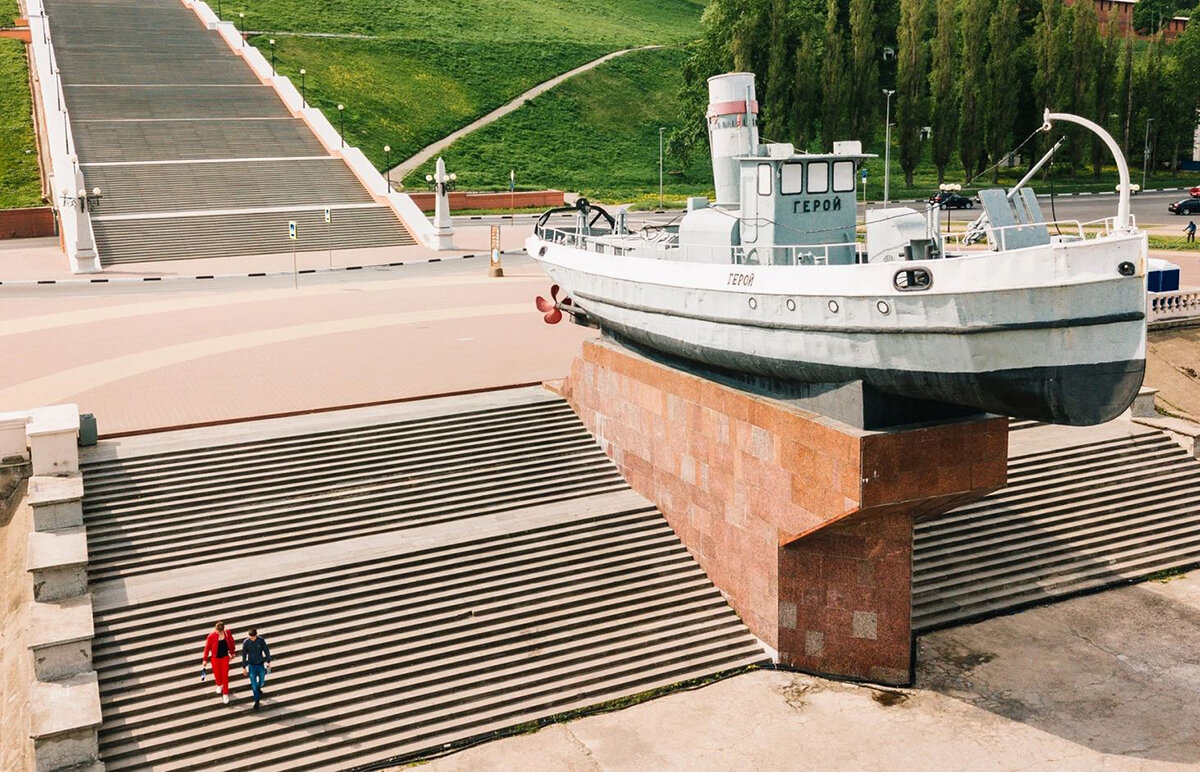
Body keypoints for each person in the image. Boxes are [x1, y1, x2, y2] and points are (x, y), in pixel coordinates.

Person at [201, 621, 236, 704]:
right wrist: (205, 659)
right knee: (217, 674)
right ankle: (219, 685)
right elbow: (207, 648)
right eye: (216, 630)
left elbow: (231, 643)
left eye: (218, 631)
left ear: (222, 630)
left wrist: (232, 653)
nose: (216, 632)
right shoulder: (211, 636)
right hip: (215, 658)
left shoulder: (227, 633)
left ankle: (225, 693)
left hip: (224, 658)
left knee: (225, 676)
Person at [241, 627, 272, 709]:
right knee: (254, 685)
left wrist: (268, 661)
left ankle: (258, 688)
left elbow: (266, 650)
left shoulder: (261, 640)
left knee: (262, 682)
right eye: (251, 637)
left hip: (260, 664)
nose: (252, 638)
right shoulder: (246, 642)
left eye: (253, 637)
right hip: (251, 665)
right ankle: (257, 700)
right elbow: (244, 655)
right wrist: (244, 667)